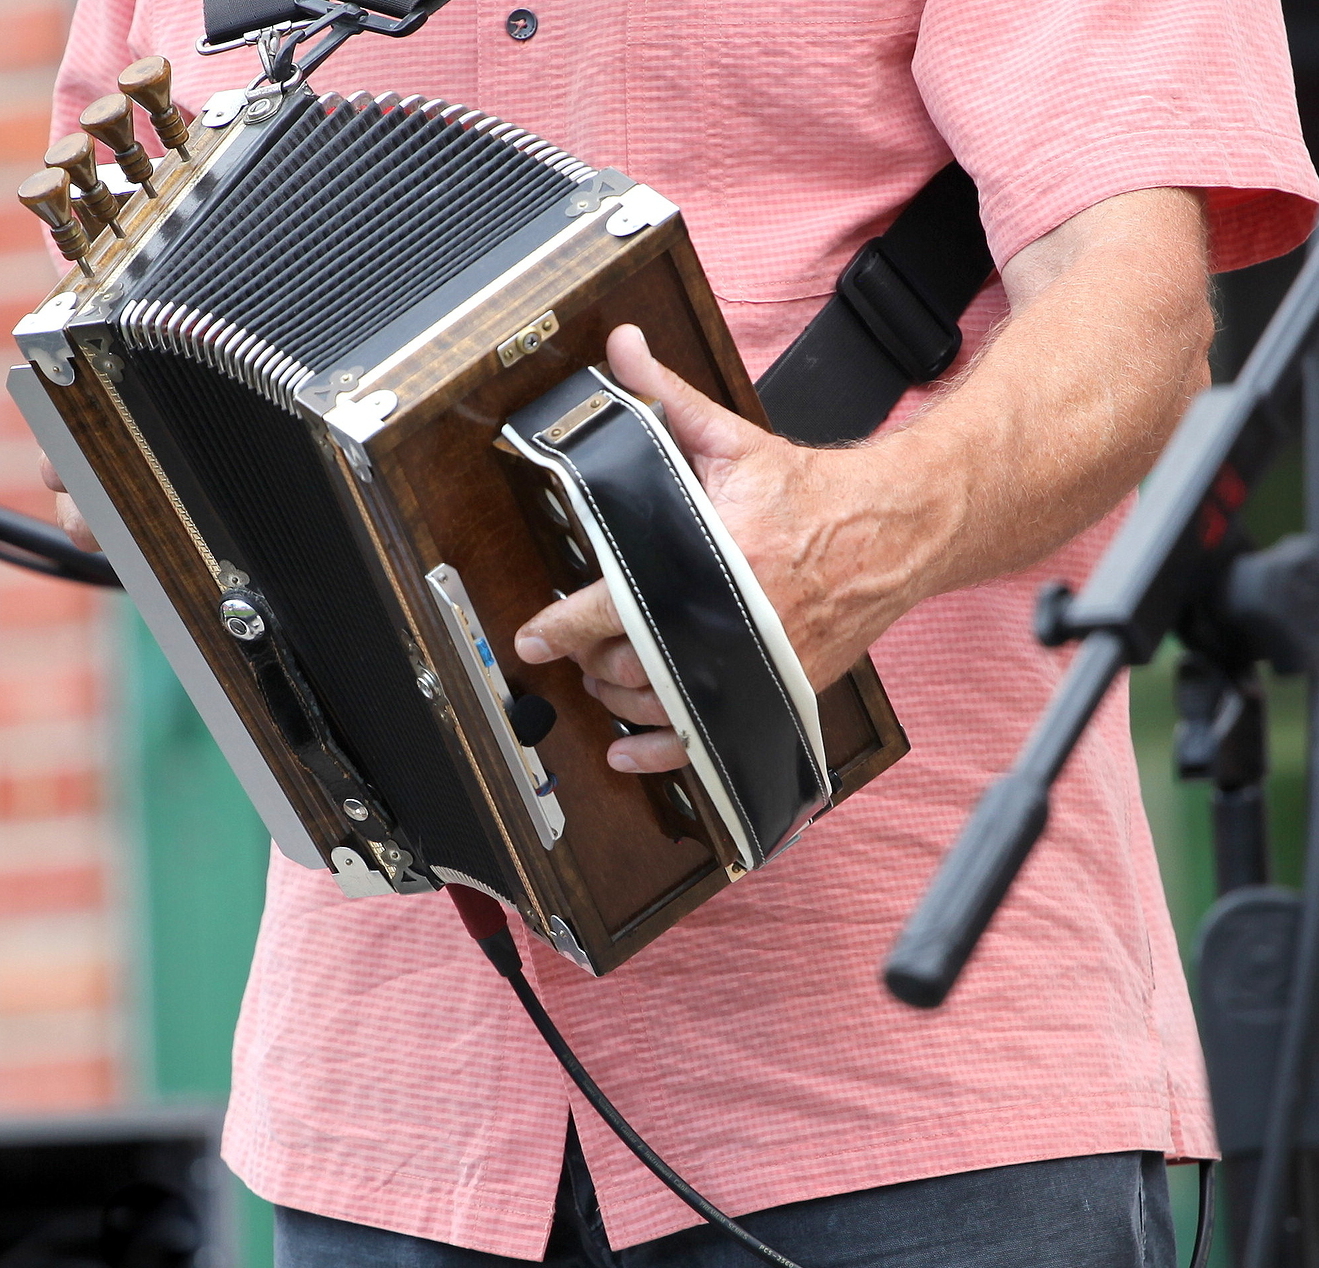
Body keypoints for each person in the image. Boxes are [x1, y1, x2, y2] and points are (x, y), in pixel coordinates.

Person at [40, 0, 1319, 1264]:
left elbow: (1135, 312)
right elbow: (111, 325)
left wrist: (849, 539)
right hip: (386, 1104)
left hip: (905, 1088)